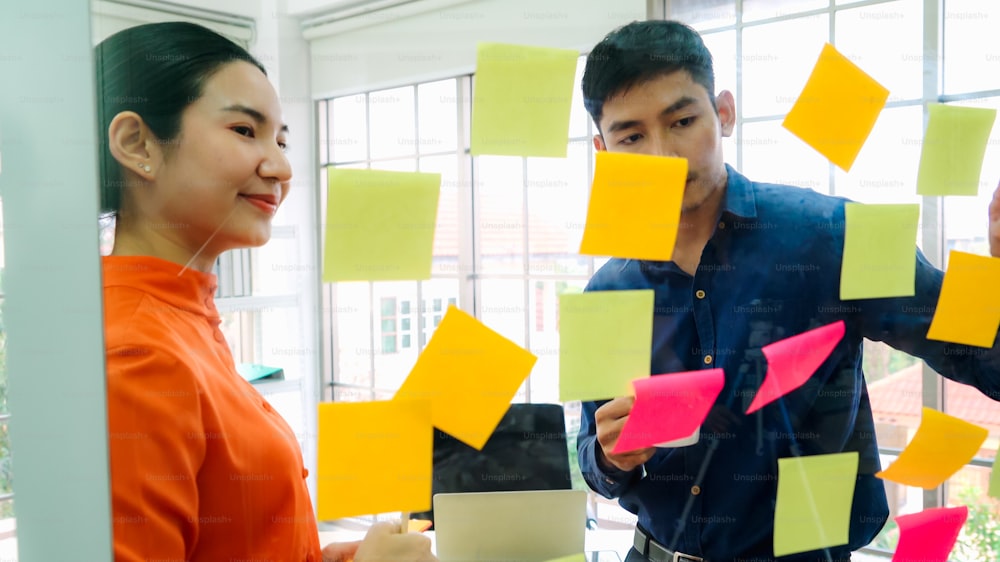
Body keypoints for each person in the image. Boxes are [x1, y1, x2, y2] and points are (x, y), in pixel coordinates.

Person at [575, 19, 1000, 562]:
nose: (664, 156)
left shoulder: (834, 235)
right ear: (603, 149)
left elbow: (981, 358)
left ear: (723, 112)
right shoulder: (605, 292)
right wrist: (612, 459)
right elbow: (595, 460)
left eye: (682, 120)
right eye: (631, 136)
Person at [96, 21, 436, 562]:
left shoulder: (182, 318)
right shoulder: (137, 351)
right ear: (138, 144)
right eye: (243, 131)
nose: (280, 167)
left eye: (281, 140)